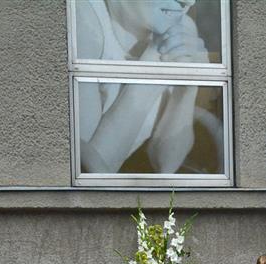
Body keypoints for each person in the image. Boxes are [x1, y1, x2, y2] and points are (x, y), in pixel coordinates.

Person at [76, 0, 209, 174]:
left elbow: (165, 164)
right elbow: (85, 176)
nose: (189, 2)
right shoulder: (81, 19)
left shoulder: (179, 24)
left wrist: (188, 89)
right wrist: (150, 74)